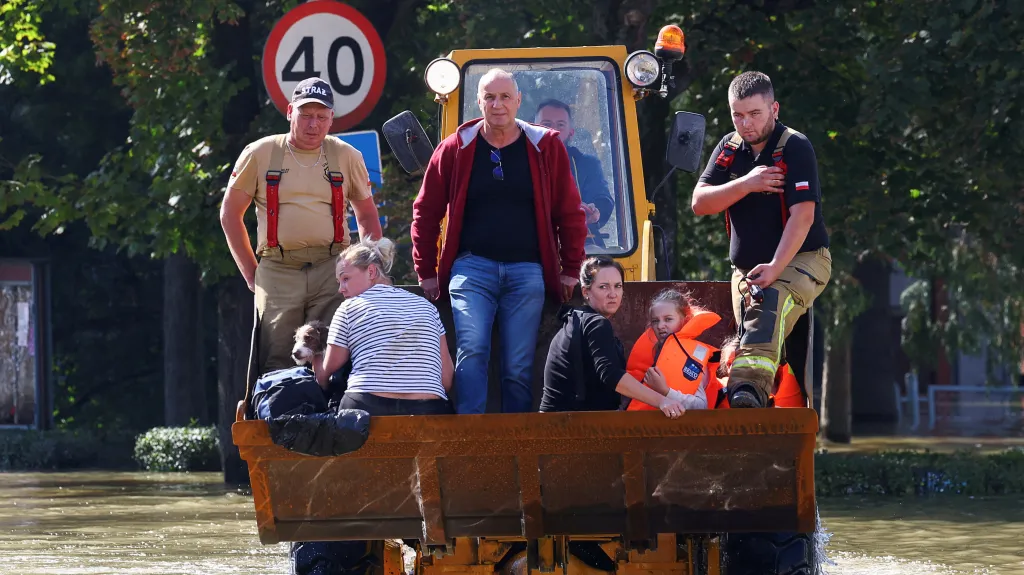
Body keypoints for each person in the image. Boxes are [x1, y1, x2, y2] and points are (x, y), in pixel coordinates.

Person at [411, 68, 588, 415]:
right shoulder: (456, 148)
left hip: (527, 271)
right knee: (472, 351)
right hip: (471, 268)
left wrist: (570, 269)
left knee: (518, 365)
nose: (498, 104)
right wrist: (426, 271)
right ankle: (471, 439)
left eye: (505, 96)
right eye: (490, 97)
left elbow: (569, 212)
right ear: (478, 102)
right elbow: (426, 211)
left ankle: (516, 443)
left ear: (519, 101)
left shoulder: (546, 146)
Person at [221, 77, 383, 375]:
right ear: (289, 112)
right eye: (306, 115)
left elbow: (367, 217)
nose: (313, 125)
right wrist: (250, 272)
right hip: (278, 269)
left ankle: (336, 416)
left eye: (321, 117)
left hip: (333, 267)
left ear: (332, 118)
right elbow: (230, 214)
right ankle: (280, 417)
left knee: (337, 348)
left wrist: (370, 272)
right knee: (277, 353)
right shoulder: (260, 153)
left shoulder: (347, 156)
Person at [691, 70, 832, 408]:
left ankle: (744, 393)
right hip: (747, 272)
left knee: (767, 305)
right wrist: (748, 184)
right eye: (737, 115)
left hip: (802, 259)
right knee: (754, 340)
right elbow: (700, 203)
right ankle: (764, 414)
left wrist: (774, 267)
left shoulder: (795, 147)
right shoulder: (729, 148)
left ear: (774, 109)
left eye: (755, 113)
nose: (745, 124)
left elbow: (803, 217)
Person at [318, 237, 455, 416]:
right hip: (427, 407)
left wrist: (314, 359)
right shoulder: (427, 307)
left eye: (345, 279)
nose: (341, 289)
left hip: (366, 406)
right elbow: (446, 380)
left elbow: (327, 372)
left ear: (371, 272)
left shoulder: (348, 308)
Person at [539, 256, 687, 417]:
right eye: (603, 287)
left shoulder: (579, 318)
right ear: (586, 292)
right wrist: (662, 401)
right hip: (568, 426)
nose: (613, 294)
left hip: (560, 421)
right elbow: (611, 374)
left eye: (617, 286)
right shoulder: (596, 323)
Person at [534, 99, 615, 248]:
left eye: (560, 125)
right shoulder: (518, 161)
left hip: (581, 242)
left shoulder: (587, 164)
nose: (553, 130)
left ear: (571, 132)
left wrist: (595, 210)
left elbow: (603, 199)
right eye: (546, 124)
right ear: (533, 129)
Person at [624, 289, 722, 412]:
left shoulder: (693, 358)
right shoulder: (651, 354)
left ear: (684, 320)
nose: (660, 326)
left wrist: (665, 391)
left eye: (668, 319)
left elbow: (701, 406)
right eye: (655, 321)